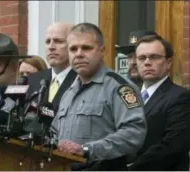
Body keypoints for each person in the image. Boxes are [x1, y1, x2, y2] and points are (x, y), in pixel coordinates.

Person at [51, 22, 147, 170]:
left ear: (102, 51)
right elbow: (55, 134)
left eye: (86, 48)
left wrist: (87, 150)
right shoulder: (68, 92)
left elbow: (133, 133)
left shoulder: (119, 87)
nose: (79, 54)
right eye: (73, 49)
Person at [128, 35, 190, 170]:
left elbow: (173, 146)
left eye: (154, 57)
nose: (147, 62)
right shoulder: (129, 98)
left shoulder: (181, 97)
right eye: (142, 58)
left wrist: (129, 169)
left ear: (168, 63)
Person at [27, 22, 77, 113]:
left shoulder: (81, 79)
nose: (51, 47)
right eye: (47, 41)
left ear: (73, 46)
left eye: (58, 41)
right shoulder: (32, 81)